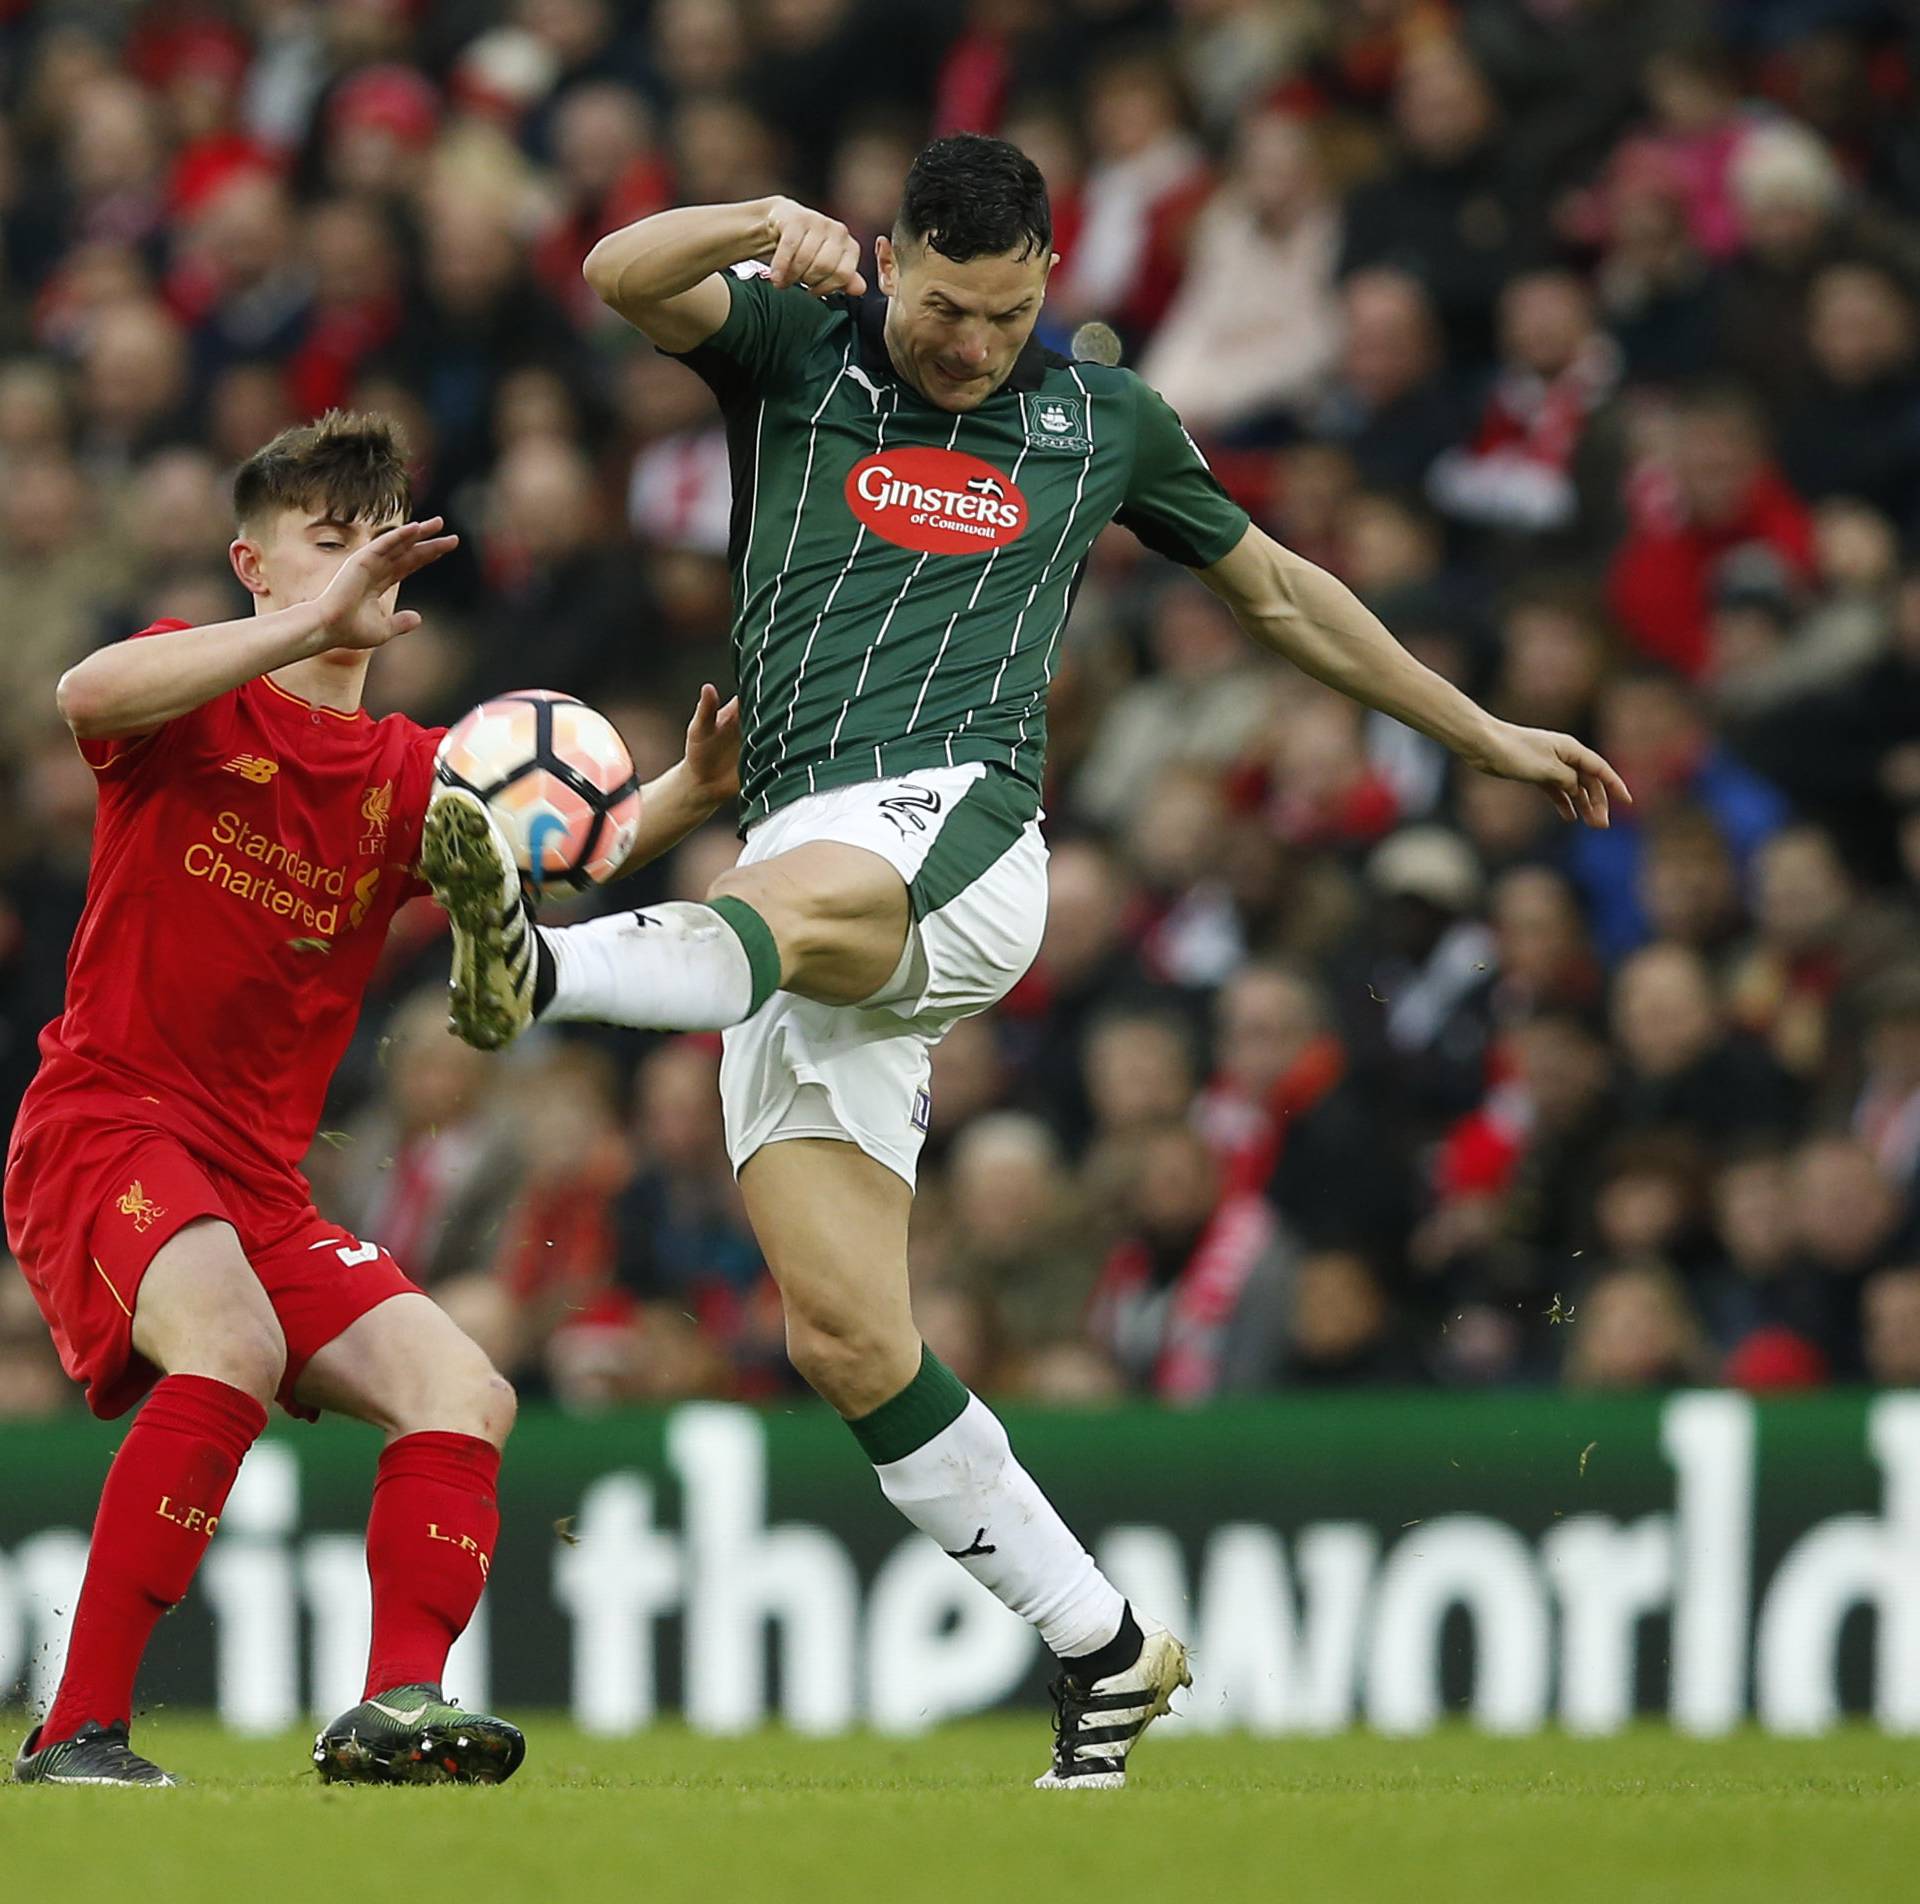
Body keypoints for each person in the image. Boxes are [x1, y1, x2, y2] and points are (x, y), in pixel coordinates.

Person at [418, 133, 1628, 1791]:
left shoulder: (1102, 423)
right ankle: (1105, 1649)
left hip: (959, 840)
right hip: (793, 887)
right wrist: (764, 228)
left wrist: (1477, 728)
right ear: (888, 260)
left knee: (807, 910)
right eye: (943, 309)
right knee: (845, 1340)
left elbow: (1276, 591)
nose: (971, 347)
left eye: (1002, 314)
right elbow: (621, 272)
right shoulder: (794, 345)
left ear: (1046, 280)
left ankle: (546, 980)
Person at [2, 411, 742, 1787]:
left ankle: (397, 1708)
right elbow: (81, 697)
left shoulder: (419, 775)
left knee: (463, 1388)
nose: (354, 579)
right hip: (110, 1121)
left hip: (258, 1181)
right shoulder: (192, 695)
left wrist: (684, 797)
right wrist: (302, 629)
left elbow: (567, 848)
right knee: (226, 1343)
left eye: (374, 555)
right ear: (253, 564)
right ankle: (77, 1732)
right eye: (322, 548)